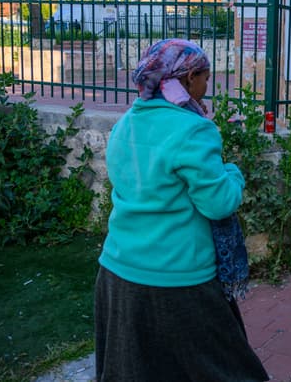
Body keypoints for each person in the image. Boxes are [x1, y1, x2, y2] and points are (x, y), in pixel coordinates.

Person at [95, 39, 268, 381]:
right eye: (206, 77)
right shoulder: (193, 129)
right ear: (188, 79)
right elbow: (218, 203)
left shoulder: (126, 123)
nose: (209, 85)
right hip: (178, 281)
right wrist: (233, 173)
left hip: (117, 275)